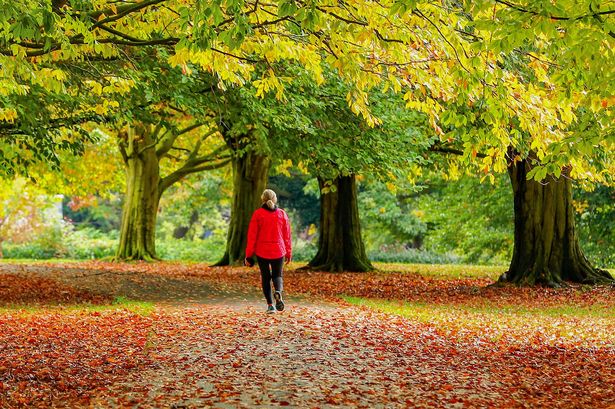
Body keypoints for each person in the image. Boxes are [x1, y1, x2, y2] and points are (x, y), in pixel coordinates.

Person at [245, 189, 292, 314]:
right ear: (275, 199)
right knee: (277, 275)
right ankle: (278, 291)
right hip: (278, 250)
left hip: (262, 251)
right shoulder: (282, 214)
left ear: (262, 199)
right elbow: (287, 235)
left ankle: (270, 305)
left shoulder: (258, 214)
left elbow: (252, 236)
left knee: (266, 278)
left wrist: (248, 255)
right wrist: (288, 252)